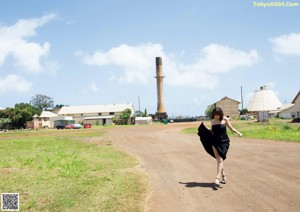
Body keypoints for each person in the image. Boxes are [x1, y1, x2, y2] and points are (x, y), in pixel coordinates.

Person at [197, 107, 243, 187]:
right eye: (215, 115)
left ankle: (218, 178)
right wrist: (205, 128)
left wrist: (238, 132)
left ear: (220, 114)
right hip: (215, 141)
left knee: (220, 159)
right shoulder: (212, 121)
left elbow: (231, 128)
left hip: (224, 141)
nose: (216, 116)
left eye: (217, 115)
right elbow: (213, 131)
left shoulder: (225, 119)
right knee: (219, 159)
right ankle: (221, 177)